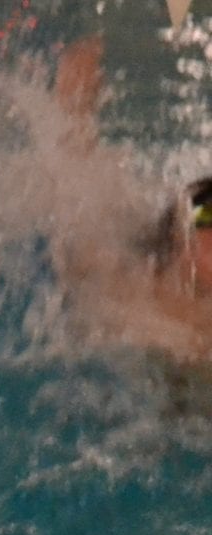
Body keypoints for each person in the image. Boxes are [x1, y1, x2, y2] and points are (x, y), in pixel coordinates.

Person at [46, 36, 212, 357]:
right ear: (178, 240)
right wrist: (75, 113)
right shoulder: (132, 294)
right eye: (206, 214)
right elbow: (74, 238)